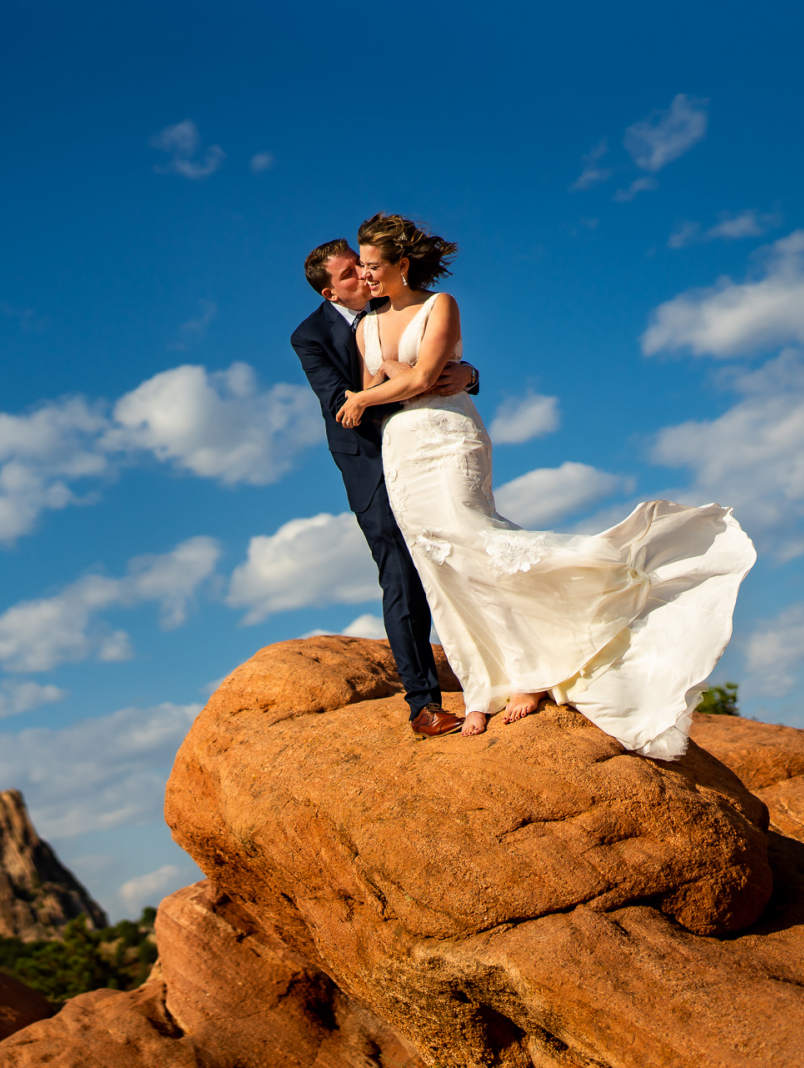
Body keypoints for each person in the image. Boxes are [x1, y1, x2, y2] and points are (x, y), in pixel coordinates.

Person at [335, 213, 755, 758]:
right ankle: (485, 686)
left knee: (474, 539)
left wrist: (370, 394)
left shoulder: (440, 305)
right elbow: (385, 384)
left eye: (372, 266)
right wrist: (380, 387)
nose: (365, 277)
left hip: (447, 436)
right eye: (362, 269)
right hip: (401, 448)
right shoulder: (365, 325)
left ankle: (545, 653)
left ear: (401, 263)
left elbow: (417, 379)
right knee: (439, 564)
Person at [291, 239, 479, 737]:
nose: (364, 276)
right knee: (399, 571)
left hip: (427, 446)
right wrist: (414, 379)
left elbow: (438, 356)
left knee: (464, 545)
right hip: (369, 460)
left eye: (364, 266)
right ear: (330, 290)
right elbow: (341, 401)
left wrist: (468, 374)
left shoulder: (394, 303)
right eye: (351, 274)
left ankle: (495, 672)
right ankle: (423, 705)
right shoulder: (309, 335)